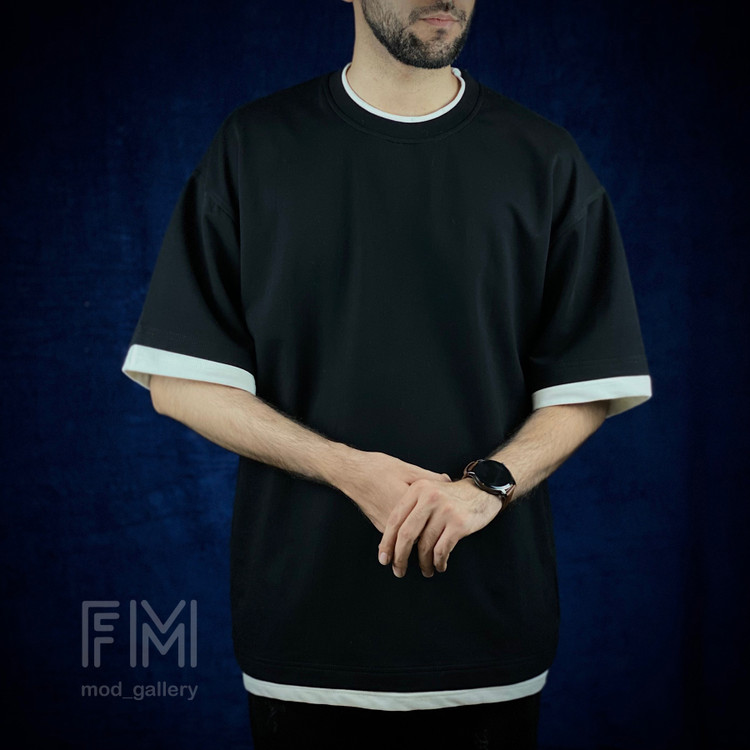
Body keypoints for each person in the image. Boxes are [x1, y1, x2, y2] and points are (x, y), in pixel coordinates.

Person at [122, 1, 652, 747]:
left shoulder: (545, 158)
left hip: (487, 635)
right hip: (304, 636)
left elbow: (587, 383)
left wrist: (486, 488)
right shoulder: (255, 146)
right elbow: (180, 382)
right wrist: (346, 468)